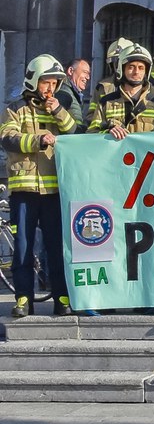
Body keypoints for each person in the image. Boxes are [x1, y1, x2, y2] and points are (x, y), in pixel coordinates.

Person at [4, 55, 77, 318]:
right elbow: (7, 138)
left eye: (55, 83)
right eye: (46, 82)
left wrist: (58, 111)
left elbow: (73, 134)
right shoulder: (16, 108)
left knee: (57, 247)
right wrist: (38, 140)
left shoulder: (59, 108)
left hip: (53, 192)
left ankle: (62, 298)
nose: (50, 88)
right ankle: (23, 298)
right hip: (23, 192)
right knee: (23, 247)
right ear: (34, 81)